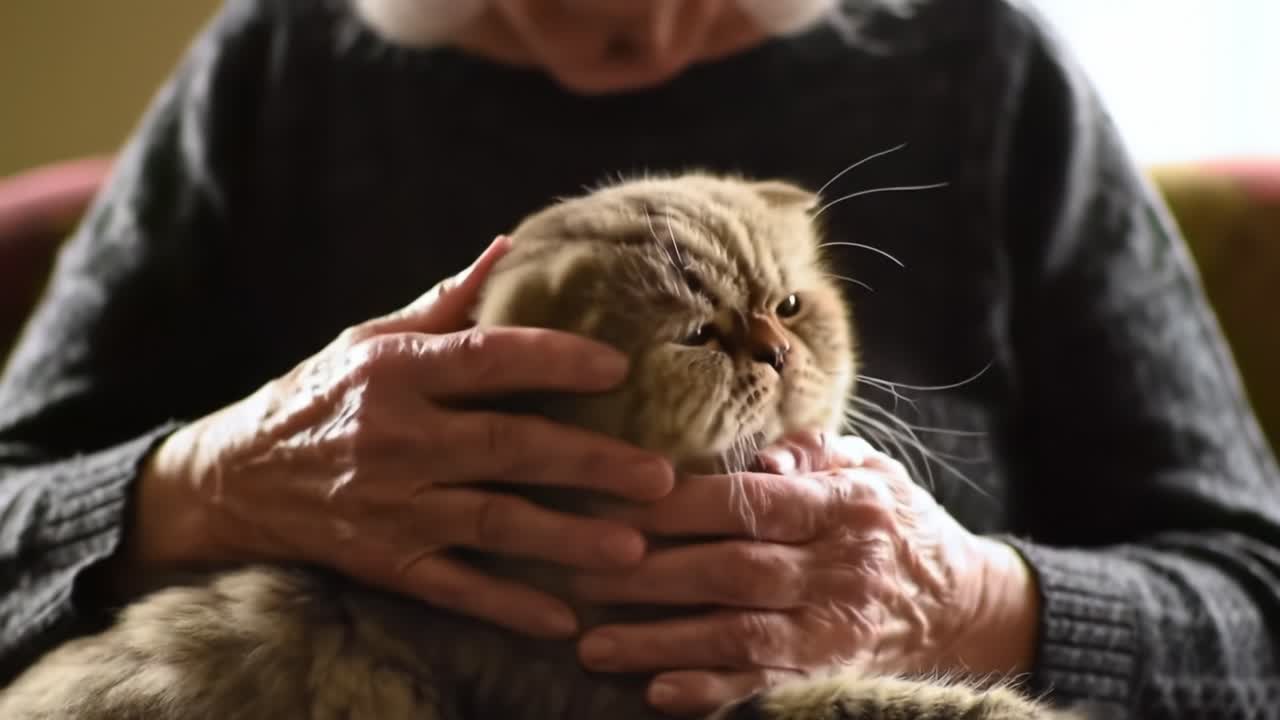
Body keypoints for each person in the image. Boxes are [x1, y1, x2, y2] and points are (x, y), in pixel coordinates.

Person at [2, 0, 1278, 716]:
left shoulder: (981, 69)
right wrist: (207, 483)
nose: (641, 30)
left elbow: (1252, 611)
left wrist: (962, 603)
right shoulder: (276, 70)